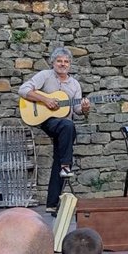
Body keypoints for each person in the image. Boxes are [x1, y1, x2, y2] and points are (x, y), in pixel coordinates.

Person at [18, 47, 91, 213]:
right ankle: (67, 165)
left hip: (65, 126)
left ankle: (52, 203)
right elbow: (23, 90)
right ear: (53, 62)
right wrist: (45, 99)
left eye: (66, 61)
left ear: (70, 64)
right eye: (59, 61)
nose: (62, 64)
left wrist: (85, 109)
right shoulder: (45, 75)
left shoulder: (74, 84)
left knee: (60, 153)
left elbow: (78, 110)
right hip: (47, 120)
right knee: (68, 126)